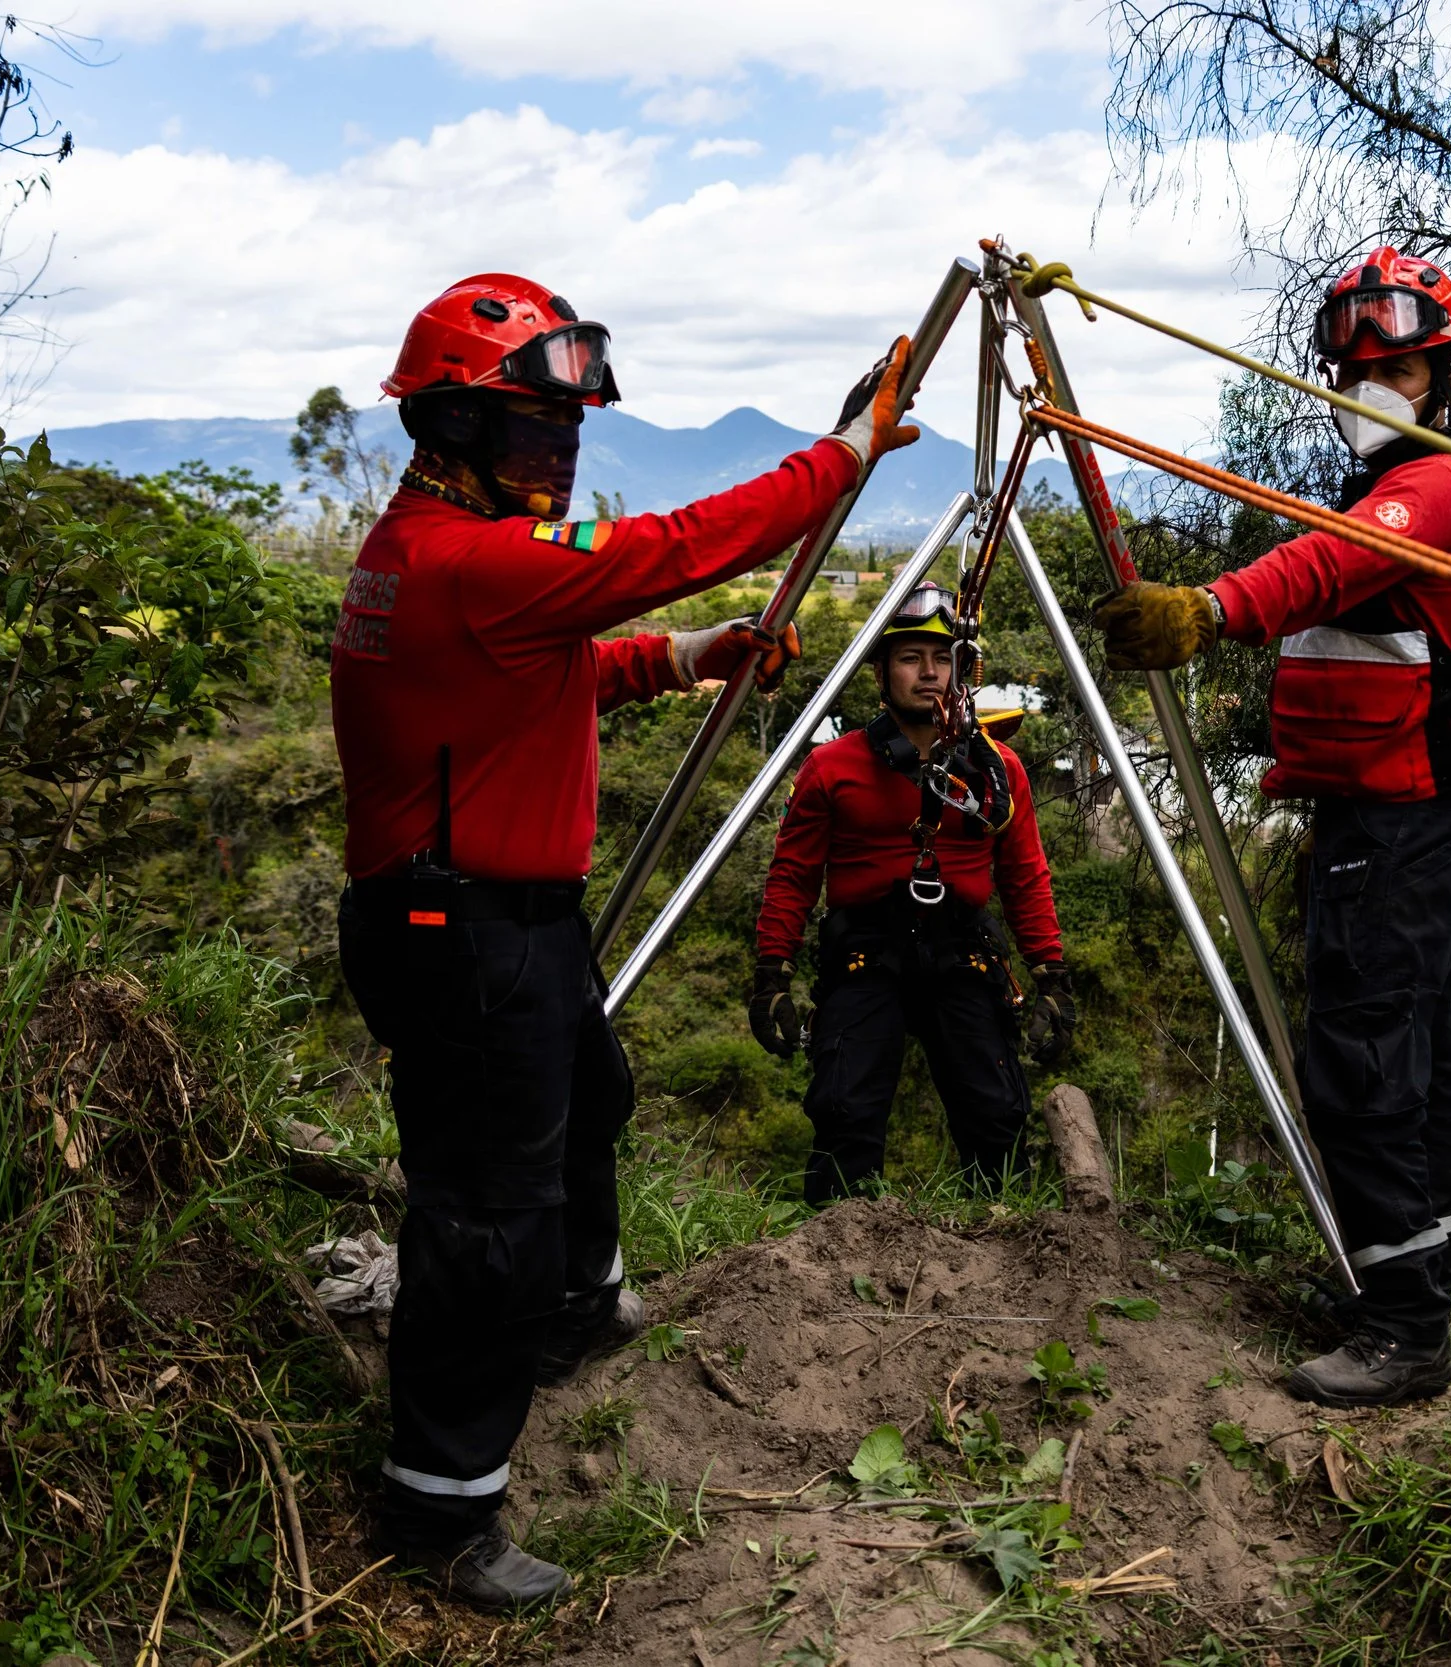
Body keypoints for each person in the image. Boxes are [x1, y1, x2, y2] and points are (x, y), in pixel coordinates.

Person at [330, 271, 920, 1608]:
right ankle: (444, 1503)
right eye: (538, 426)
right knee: (487, 1217)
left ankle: (571, 1313)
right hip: (464, 932)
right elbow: (675, 543)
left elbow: (541, 670)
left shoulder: (443, 553)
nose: (564, 447)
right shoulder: (463, 557)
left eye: (572, 424)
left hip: (500, 925)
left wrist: (684, 658)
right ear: (456, 426)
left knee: (590, 1099)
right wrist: (839, 460)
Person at [1091, 248, 1451, 1408]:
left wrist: (1210, 609)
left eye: (1398, 365)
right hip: (1381, 812)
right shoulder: (1391, 488)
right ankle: (1409, 1280)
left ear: (1442, 371)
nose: (1372, 383)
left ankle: (1405, 1327)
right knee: (1406, 1052)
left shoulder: (1435, 490)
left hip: (1403, 819)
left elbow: (1332, 562)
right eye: (1353, 366)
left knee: (1364, 1058)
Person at [747, 582, 1075, 1201]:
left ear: (961, 669)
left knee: (996, 1115)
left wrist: (1050, 977)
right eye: (909, 658)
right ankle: (835, 1254)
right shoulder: (834, 767)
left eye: (942, 658)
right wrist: (772, 975)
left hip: (963, 948)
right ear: (880, 671)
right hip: (867, 947)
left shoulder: (997, 771)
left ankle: (1000, 1245)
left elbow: (1025, 876)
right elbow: (793, 876)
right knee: (845, 1109)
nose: (929, 674)